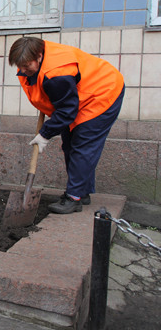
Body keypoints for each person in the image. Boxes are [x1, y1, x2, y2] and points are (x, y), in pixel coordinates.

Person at [8, 37, 125, 214]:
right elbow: (57, 99)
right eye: (19, 66)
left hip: (102, 92)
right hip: (80, 95)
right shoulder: (33, 64)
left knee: (82, 145)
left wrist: (45, 133)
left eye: (26, 66)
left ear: (39, 56)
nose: (23, 70)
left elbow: (67, 111)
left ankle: (74, 198)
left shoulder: (56, 74)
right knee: (69, 144)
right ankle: (81, 192)